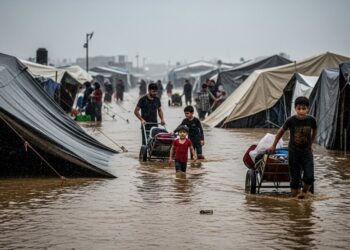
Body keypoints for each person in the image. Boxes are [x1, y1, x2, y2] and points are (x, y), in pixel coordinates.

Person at [267, 96, 317, 198]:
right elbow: (280, 132)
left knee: (310, 177)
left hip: (306, 152)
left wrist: (310, 144)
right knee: (295, 179)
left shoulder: (311, 120)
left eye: (304, 109)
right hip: (294, 153)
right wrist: (273, 145)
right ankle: (294, 202)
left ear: (308, 109)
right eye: (299, 109)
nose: (301, 111)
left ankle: (304, 192)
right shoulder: (291, 120)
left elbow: (315, 130)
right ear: (295, 109)